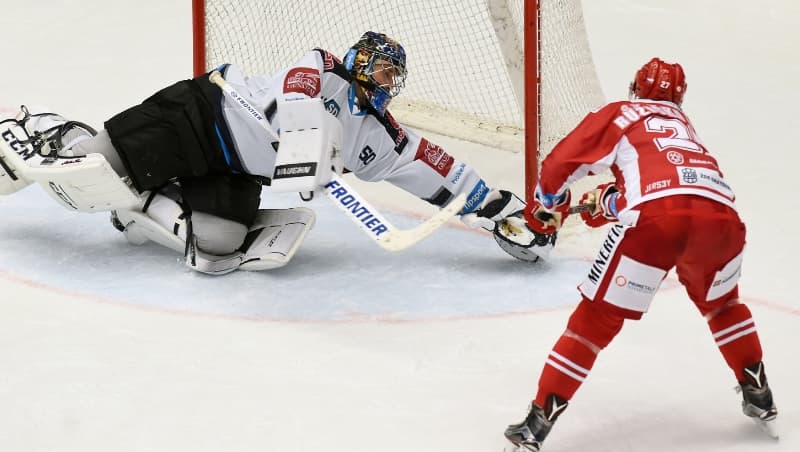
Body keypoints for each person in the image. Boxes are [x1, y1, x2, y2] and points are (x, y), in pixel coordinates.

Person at [0, 31, 534, 274]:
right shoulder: (323, 67)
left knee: (216, 250)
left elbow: (434, 167)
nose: (382, 79)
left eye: (392, 74)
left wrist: (501, 211)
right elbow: (298, 100)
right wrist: (313, 150)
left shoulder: (377, 136)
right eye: (377, 67)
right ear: (356, 61)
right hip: (200, 114)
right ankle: (46, 129)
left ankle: (140, 206)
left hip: (233, 166)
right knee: (88, 170)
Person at [496, 57, 778, 452]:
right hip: (722, 221)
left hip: (657, 221)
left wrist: (548, 205)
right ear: (679, 97)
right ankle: (760, 396)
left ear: (636, 88)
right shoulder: (685, 128)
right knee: (723, 306)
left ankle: (536, 424)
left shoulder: (623, 113)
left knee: (593, 320)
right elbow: (669, 186)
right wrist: (609, 201)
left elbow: (560, 165)